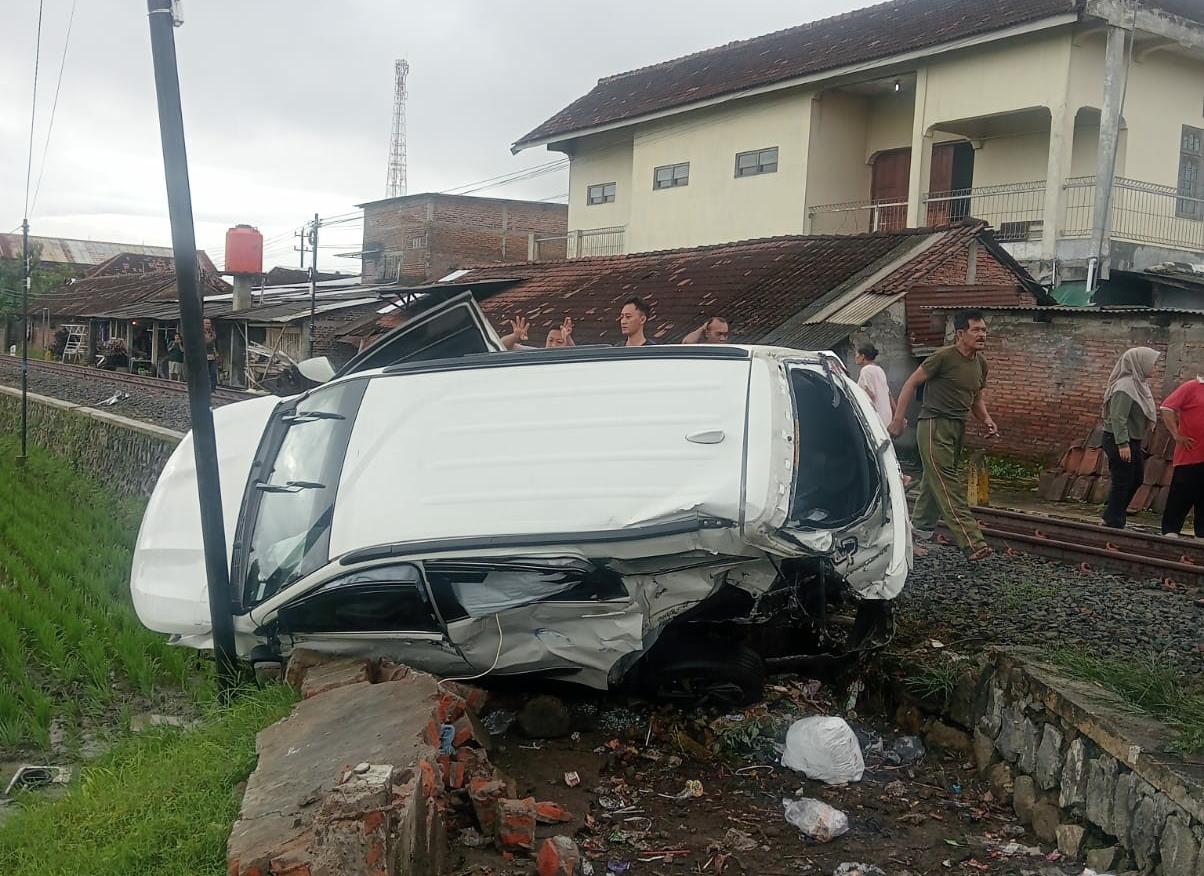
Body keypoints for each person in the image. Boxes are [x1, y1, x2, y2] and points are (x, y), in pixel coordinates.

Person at [888, 310, 997, 562]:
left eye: (984, 330)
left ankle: (914, 536)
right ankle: (972, 542)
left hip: (957, 427)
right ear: (960, 334)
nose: (982, 335)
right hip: (934, 425)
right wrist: (898, 419)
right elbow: (910, 384)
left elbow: (976, 400)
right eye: (976, 330)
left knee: (932, 482)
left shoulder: (981, 364)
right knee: (947, 482)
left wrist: (987, 420)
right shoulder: (942, 357)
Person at [1099, 347, 1161, 530]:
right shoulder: (1125, 386)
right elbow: (1118, 417)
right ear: (1140, 363)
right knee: (1123, 480)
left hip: (1132, 439)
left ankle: (1111, 515)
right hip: (1118, 439)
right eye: (1152, 363)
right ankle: (1114, 521)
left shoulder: (1138, 384)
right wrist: (1122, 443)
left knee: (1136, 479)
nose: (1154, 367)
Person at [1159, 370, 1204, 538]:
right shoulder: (1192, 387)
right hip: (1190, 454)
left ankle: (1201, 534)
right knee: (1181, 495)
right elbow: (1167, 407)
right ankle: (1170, 531)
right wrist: (1176, 434)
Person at [854, 343, 892, 429]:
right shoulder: (879, 370)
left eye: (856, 355)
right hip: (886, 416)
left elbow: (870, 394)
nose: (855, 357)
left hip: (876, 417)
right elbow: (889, 394)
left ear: (863, 356)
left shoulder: (866, 370)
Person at [501, 315, 575, 351]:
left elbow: (575, 353)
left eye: (559, 342)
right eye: (550, 340)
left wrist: (568, 337)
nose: (553, 345)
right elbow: (502, 345)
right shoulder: (536, 354)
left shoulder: (570, 362)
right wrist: (515, 336)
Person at [203, 318, 218, 390]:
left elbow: (214, 344)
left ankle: (213, 389)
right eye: (206, 323)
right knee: (204, 374)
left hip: (212, 356)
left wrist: (216, 353)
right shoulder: (200, 334)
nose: (208, 325)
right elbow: (207, 342)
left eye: (209, 323)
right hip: (203, 356)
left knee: (213, 373)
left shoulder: (213, 333)